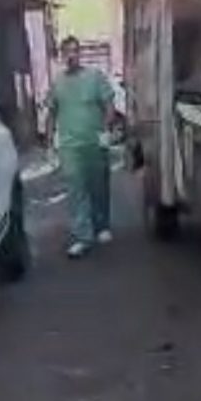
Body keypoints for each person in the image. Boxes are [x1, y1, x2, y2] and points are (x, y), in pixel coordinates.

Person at [48, 37, 115, 258]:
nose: (71, 56)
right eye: (67, 52)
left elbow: (108, 105)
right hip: (70, 146)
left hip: (94, 142)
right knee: (76, 190)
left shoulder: (94, 77)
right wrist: (50, 143)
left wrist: (105, 131)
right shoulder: (57, 83)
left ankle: (102, 225)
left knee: (98, 186)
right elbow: (51, 112)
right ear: (61, 55)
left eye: (75, 51)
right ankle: (81, 236)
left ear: (80, 54)